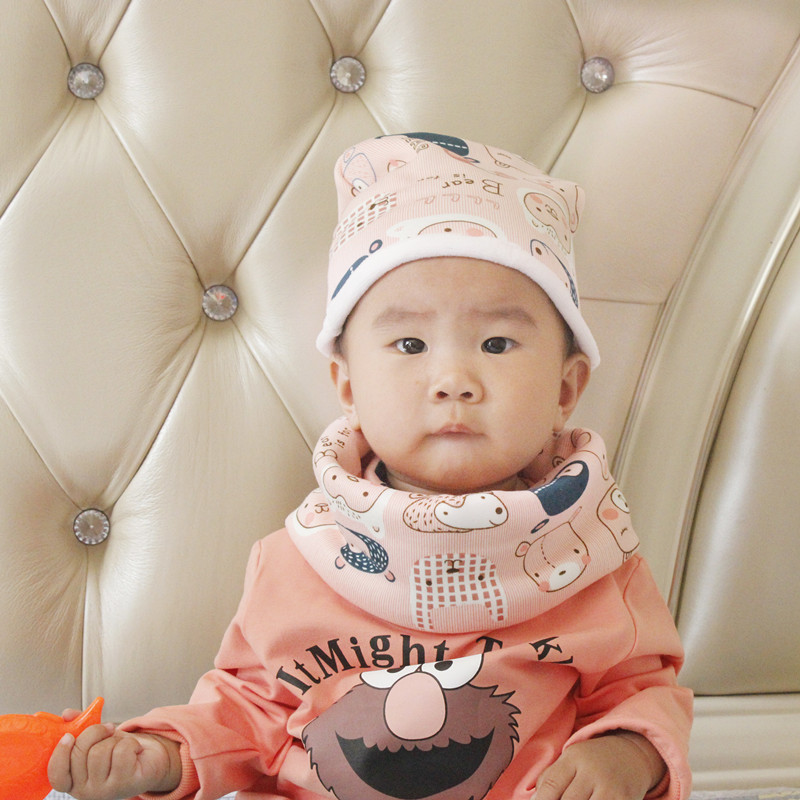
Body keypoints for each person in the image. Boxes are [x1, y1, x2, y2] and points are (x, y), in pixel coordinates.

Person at [48, 132, 693, 800]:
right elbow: (246, 712)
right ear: (348, 385)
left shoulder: (596, 559)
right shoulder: (298, 560)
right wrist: (160, 754)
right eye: (409, 344)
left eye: (497, 343)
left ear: (565, 388)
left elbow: (643, 695)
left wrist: (624, 755)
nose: (453, 379)